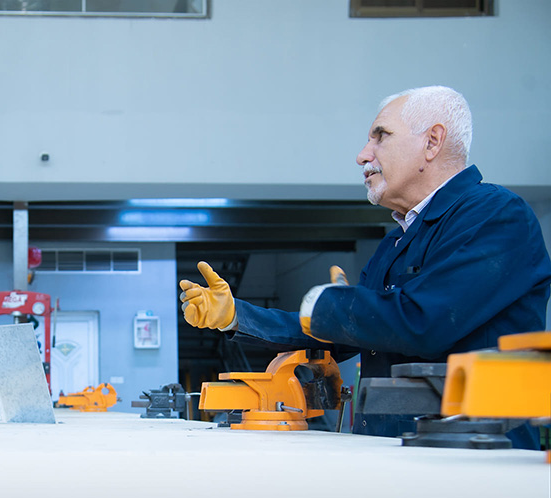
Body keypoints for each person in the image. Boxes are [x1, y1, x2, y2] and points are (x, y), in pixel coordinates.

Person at [180, 86, 551, 447]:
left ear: (432, 142)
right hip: (393, 450)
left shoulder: (497, 217)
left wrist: (327, 302)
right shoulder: (395, 242)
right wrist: (236, 316)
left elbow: (425, 322)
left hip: (476, 457)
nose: (362, 155)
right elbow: (342, 334)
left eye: (381, 136)